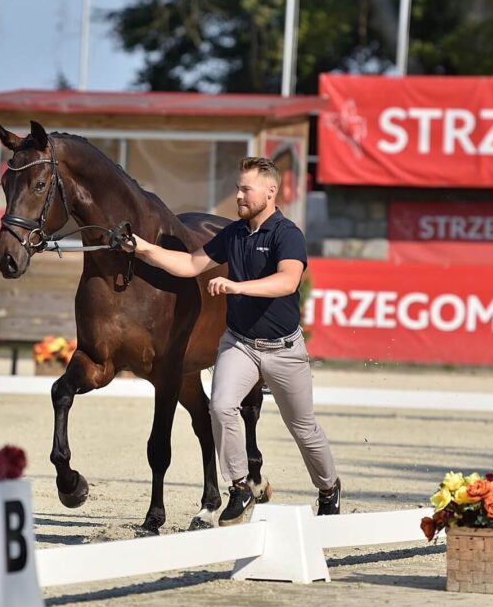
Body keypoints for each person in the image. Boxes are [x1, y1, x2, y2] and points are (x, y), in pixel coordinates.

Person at [132, 157, 341, 525]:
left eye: (246, 189)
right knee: (221, 407)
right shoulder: (234, 233)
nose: (239, 195)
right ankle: (241, 486)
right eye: (238, 188)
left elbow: (287, 282)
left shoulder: (286, 234)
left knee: (304, 429)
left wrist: (236, 286)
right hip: (240, 345)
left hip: (284, 350)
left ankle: (328, 487)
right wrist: (141, 248)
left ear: (270, 192)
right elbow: (188, 265)